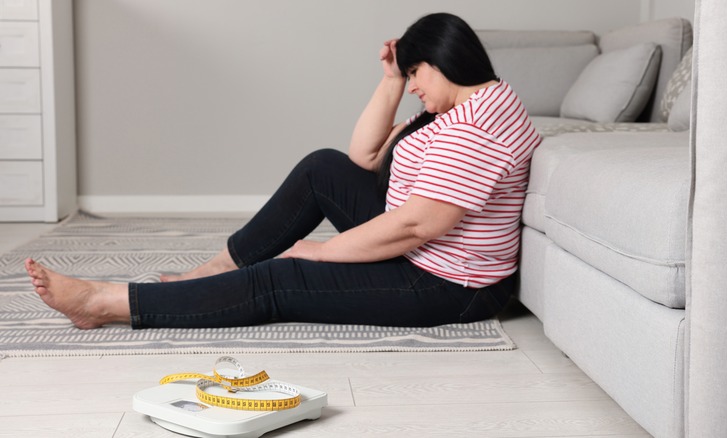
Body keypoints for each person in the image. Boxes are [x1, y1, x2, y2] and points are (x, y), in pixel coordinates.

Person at [24, 12, 541, 330]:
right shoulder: (469, 104)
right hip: (429, 250)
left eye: (412, 73)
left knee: (283, 277)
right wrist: (387, 79)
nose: (410, 86)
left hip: (449, 283)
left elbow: (417, 226)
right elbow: (362, 157)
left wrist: (322, 251)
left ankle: (105, 302)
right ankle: (216, 270)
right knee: (324, 167)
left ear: (441, 59)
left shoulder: (472, 128)